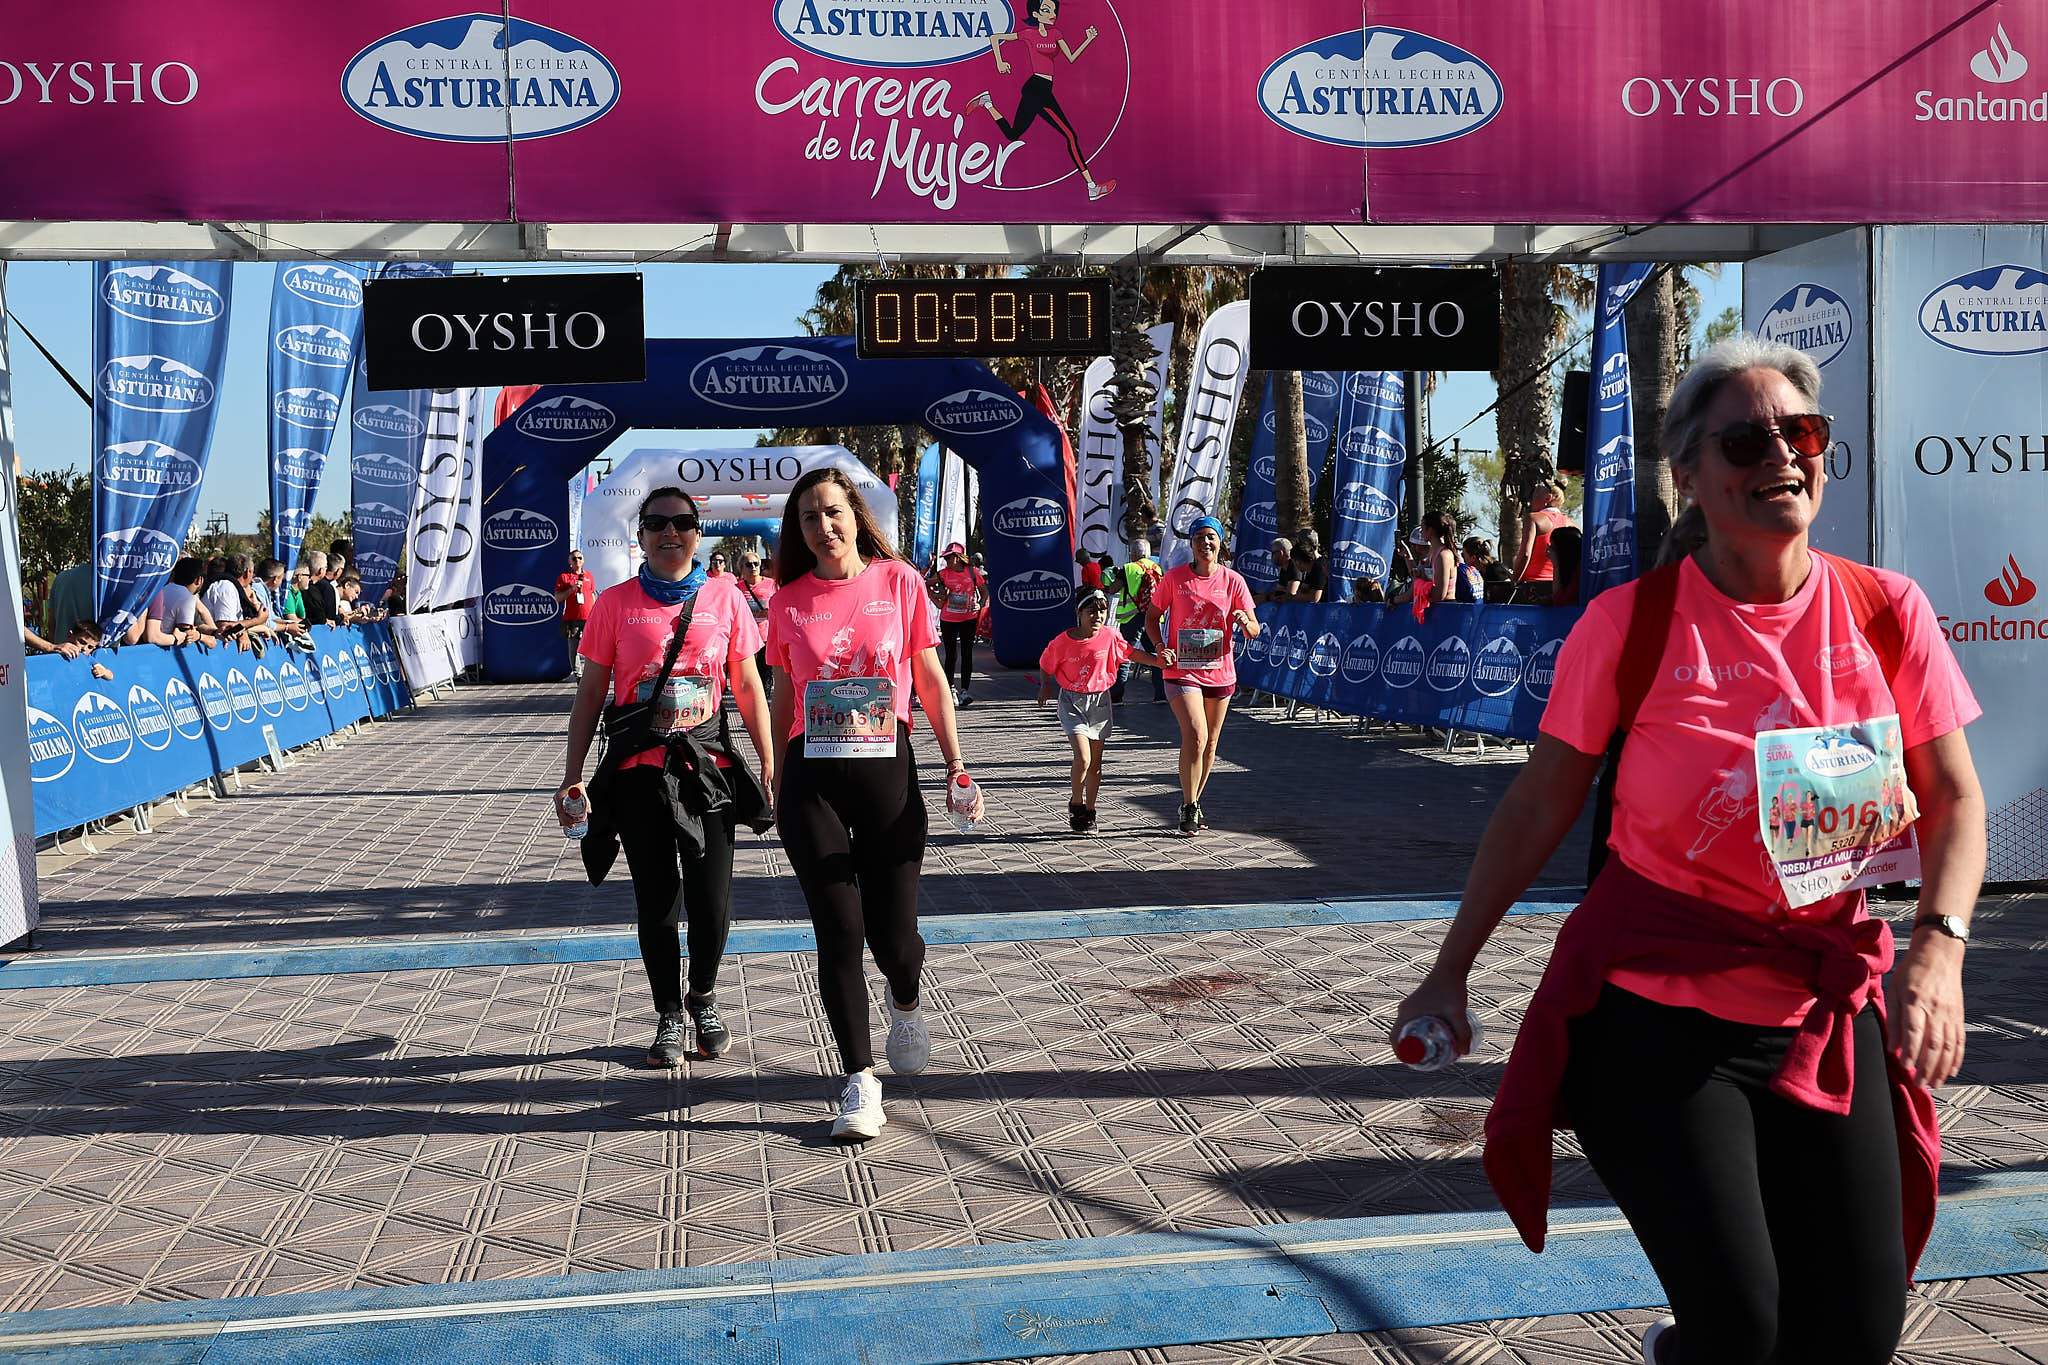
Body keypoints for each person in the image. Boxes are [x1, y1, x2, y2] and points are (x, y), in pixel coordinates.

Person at [1392, 336, 1985, 1365]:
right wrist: (1450, 970)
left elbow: (1955, 798)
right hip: (1657, 1018)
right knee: (1742, 1328)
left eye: (1802, 433)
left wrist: (1938, 947)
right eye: (1746, 441)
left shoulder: (1886, 611)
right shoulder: (1630, 626)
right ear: (1689, 476)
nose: (1782, 455)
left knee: (1855, 1334)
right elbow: (1537, 806)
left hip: (1822, 1007)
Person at [765, 467, 979, 1143]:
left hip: (887, 769)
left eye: (833, 512)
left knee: (894, 938)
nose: (822, 527)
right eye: (808, 518)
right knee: (838, 929)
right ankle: (858, 1078)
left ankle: (906, 998)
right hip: (812, 776)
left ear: (856, 515)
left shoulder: (900, 582)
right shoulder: (787, 600)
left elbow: (931, 679)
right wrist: (774, 773)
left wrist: (956, 764)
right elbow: (782, 695)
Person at [558, 488, 775, 1069]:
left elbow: (748, 685)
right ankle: (669, 1014)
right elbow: (590, 695)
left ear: (698, 533)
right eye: (656, 523)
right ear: (641, 536)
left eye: (681, 522)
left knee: (712, 900)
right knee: (656, 901)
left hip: (707, 770)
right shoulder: (614, 604)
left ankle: (702, 996)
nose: (669, 532)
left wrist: (769, 760)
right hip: (639, 773)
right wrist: (573, 776)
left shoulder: (726, 598)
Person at [1146, 516, 1259, 836]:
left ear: (1220, 543)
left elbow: (1254, 629)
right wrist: (1160, 647)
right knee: (1195, 734)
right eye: (1199, 537)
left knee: (1210, 744)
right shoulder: (1174, 578)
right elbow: (1152, 618)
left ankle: (1193, 801)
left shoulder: (1233, 581)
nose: (1205, 543)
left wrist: (1244, 622)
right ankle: (1188, 803)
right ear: (1191, 544)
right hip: (1181, 669)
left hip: (1219, 671)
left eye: (1211, 537)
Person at [1037, 588, 1170, 834]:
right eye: (1091, 611)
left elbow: (1131, 653)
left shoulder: (1110, 636)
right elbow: (1046, 664)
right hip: (1072, 702)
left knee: (1096, 763)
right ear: (1079, 613)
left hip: (1100, 702)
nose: (1097, 616)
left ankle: (1090, 811)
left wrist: (1157, 661)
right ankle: (1076, 803)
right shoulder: (1062, 642)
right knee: (1083, 757)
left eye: (1102, 611)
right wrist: (1045, 685)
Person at [969, 0, 1116, 202]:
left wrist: (1088, 39)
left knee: (1013, 134)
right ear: (1036, 14)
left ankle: (987, 103)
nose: (1052, 14)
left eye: (1054, 10)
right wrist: (999, 62)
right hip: (1036, 89)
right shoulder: (1028, 34)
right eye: (1046, 10)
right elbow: (995, 38)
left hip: (1043, 89)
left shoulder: (1056, 34)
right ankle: (1091, 187)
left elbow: (1071, 57)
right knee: (1070, 135)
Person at [928, 542, 984, 707]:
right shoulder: (943, 574)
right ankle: (950, 688)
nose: (946, 561)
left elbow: (984, 591)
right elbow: (926, 584)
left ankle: (965, 691)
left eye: (949, 558)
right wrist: (935, 598)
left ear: (958, 558)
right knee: (951, 655)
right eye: (945, 558)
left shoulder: (972, 572)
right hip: (949, 619)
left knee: (967, 654)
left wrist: (979, 604)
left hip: (968, 618)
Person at [1108, 537, 1164, 704]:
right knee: (1155, 654)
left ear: (1132, 553)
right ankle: (1161, 695)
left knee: (1125, 654)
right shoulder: (1157, 568)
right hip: (1153, 617)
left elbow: (1113, 589)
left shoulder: (1128, 568)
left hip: (1131, 617)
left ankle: (1116, 696)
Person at [1511, 480, 1573, 585]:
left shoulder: (1533, 518)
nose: (1531, 501)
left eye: (1534, 496)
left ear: (1548, 498)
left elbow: (1525, 554)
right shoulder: (1570, 524)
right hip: (1560, 585)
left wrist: (1514, 580)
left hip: (1533, 583)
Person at [735, 549, 776, 697]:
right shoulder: (737, 589)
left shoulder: (772, 585)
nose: (753, 567)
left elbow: (782, 607)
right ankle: (752, 697)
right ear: (741, 568)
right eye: (748, 564)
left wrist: (769, 612)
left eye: (756, 564)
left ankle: (764, 699)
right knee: (750, 672)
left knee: (765, 671)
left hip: (767, 636)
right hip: (747, 637)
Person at [554, 550, 596, 676]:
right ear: (570, 562)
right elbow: (558, 598)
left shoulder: (589, 576)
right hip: (572, 619)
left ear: (583, 560)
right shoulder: (564, 577)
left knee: (592, 648)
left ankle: (590, 674)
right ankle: (578, 675)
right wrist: (572, 589)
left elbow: (592, 595)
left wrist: (596, 614)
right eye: (574, 558)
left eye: (579, 558)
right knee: (574, 649)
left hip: (589, 618)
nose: (577, 560)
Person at [1548, 526, 1585, 607]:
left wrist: (1556, 565)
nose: (1548, 550)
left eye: (1552, 546)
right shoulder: (1570, 567)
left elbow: (1561, 601)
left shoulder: (1581, 571)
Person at [301, 551, 339, 627]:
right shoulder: (324, 588)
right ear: (321, 571)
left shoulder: (297, 584)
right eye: (326, 567)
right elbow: (324, 618)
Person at [1253, 538, 1295, 606]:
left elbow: (1290, 595)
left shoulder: (1294, 566)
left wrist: (1266, 598)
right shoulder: (1284, 569)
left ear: (1280, 553)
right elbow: (1279, 592)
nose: (1271, 557)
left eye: (1273, 553)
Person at [1288, 538, 1329, 605]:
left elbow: (1314, 598)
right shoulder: (1311, 569)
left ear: (1298, 561)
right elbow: (1301, 590)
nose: (1294, 566)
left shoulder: (1319, 567)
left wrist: (1294, 597)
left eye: (1293, 562)